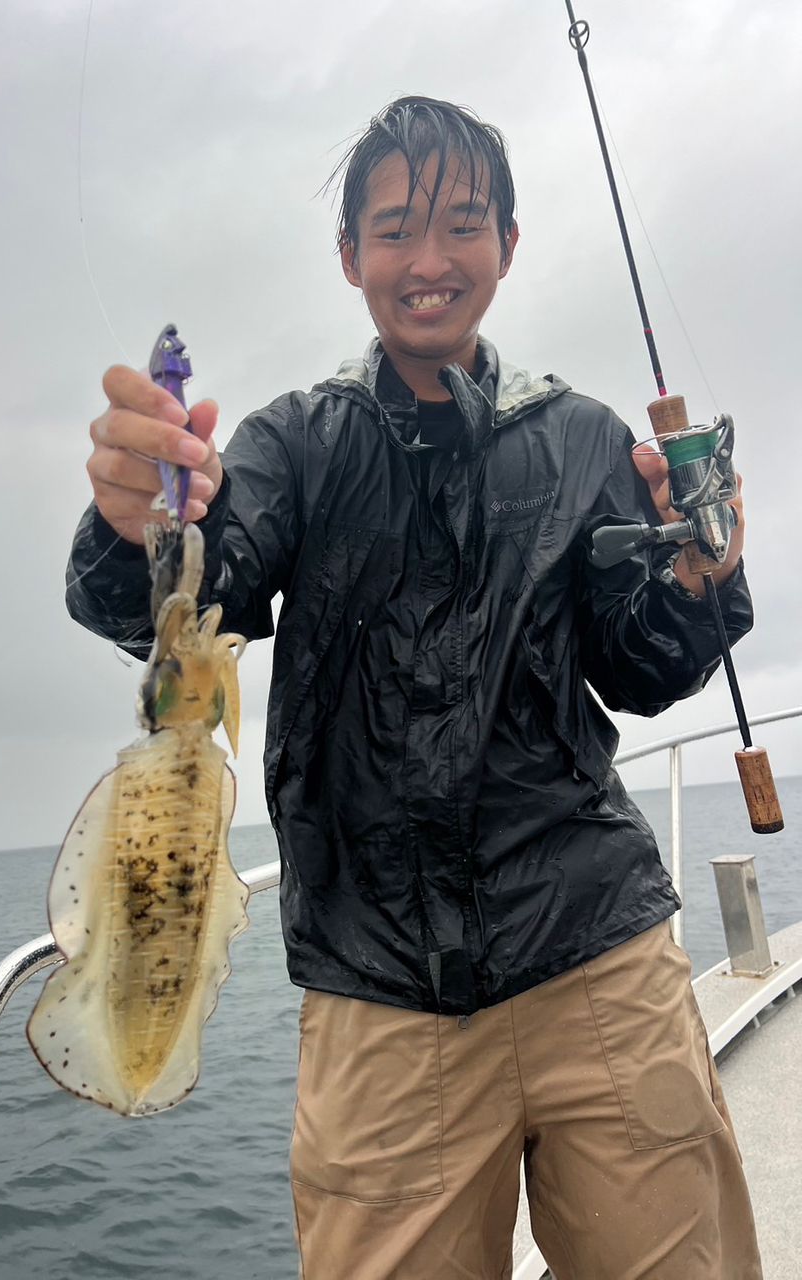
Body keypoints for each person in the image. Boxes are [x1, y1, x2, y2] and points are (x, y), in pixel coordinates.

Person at [67, 97, 761, 1280]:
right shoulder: (300, 443)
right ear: (350, 258)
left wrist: (698, 578)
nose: (429, 261)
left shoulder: (584, 436)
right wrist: (140, 520)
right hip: (383, 1003)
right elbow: (183, 593)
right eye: (395, 230)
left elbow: (640, 668)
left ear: (508, 243)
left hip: (601, 960)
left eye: (462, 224)